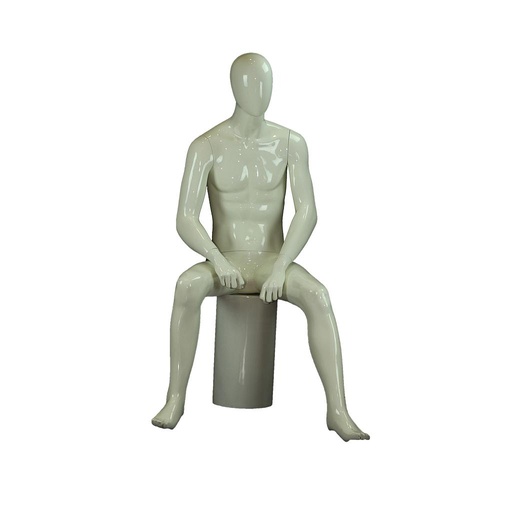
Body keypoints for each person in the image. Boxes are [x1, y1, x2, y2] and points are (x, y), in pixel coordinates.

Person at [152, 53, 369, 441]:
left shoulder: (290, 143)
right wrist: (216, 259)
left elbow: (307, 211)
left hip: (272, 258)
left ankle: (337, 410)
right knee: (186, 286)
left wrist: (283, 265)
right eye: (251, 84)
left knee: (319, 295)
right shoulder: (206, 145)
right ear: (234, 87)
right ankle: (175, 398)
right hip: (225, 258)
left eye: (266, 84)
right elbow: (185, 217)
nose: (260, 92)